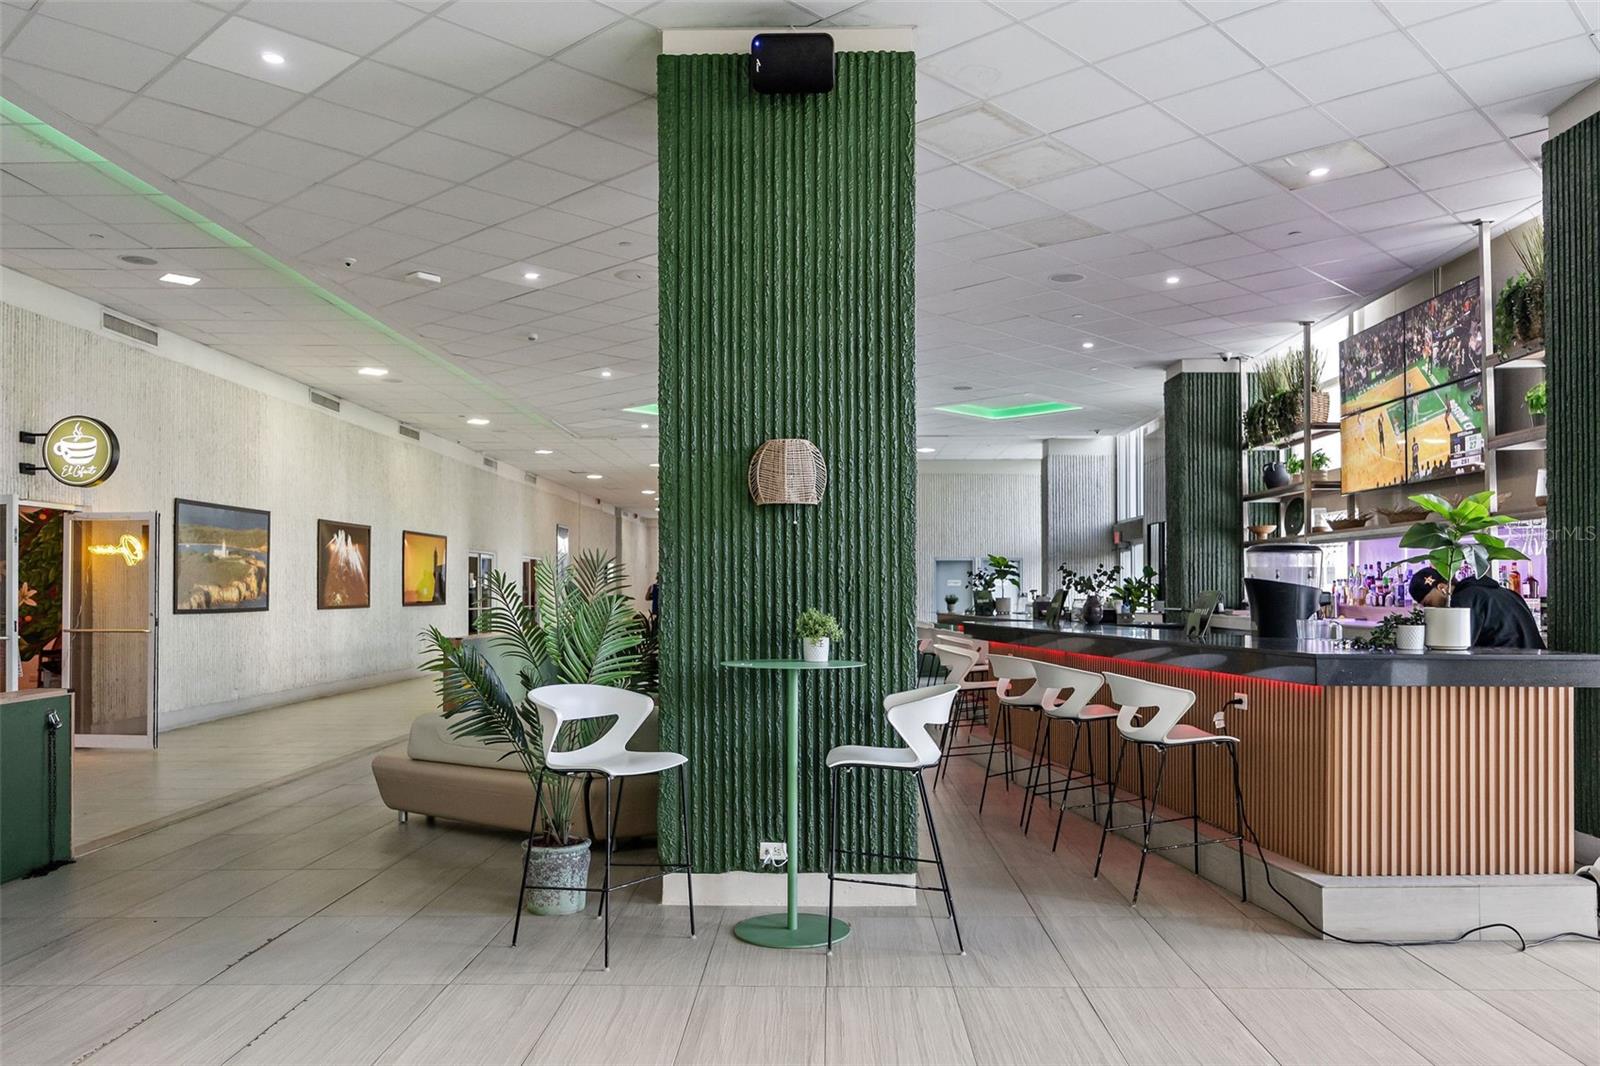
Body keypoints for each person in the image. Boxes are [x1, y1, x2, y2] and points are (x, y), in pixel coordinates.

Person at [1409, 566, 1545, 649]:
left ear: (1442, 588)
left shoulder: (1463, 601)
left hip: (1509, 672)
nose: (1431, 608)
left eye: (1428, 603)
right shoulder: (1504, 592)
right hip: (1536, 668)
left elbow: (1458, 649)